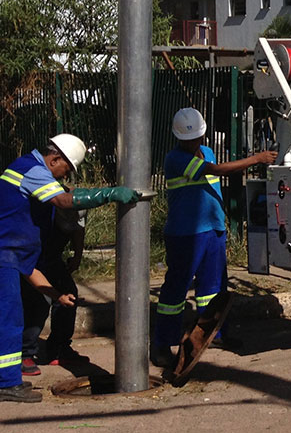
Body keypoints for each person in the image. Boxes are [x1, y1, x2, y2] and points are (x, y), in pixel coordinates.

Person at [0, 134, 138, 403]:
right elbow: (64, 200)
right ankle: (7, 383)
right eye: (67, 169)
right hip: (5, 254)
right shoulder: (33, 170)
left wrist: (57, 295)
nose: (65, 177)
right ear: (55, 159)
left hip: (13, 255)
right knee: (9, 320)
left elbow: (33, 273)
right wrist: (108, 193)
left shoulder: (28, 169)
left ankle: (10, 379)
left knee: (14, 317)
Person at [151, 108, 275, 369]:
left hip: (212, 230)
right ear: (178, 138)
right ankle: (162, 343)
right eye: (188, 139)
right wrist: (256, 159)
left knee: (213, 289)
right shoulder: (175, 159)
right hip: (186, 233)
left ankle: (214, 334)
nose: (193, 143)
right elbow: (217, 170)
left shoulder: (205, 151)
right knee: (176, 290)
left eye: (196, 138)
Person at [20, 192, 86, 374]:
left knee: (70, 293)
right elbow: (30, 268)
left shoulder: (74, 208)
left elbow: (78, 230)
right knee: (39, 299)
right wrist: (55, 294)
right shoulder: (41, 215)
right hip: (34, 259)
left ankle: (59, 348)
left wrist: (77, 256)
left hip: (52, 258)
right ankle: (25, 352)